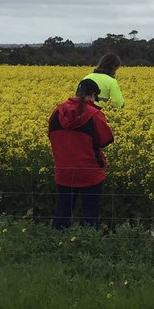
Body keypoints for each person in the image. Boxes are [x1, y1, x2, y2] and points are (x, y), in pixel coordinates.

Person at [48, 78, 114, 229]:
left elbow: (51, 136)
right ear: (91, 95)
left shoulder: (57, 113)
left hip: (64, 171)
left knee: (63, 209)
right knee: (90, 211)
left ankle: (55, 242)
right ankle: (87, 244)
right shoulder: (94, 115)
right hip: (90, 173)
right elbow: (106, 140)